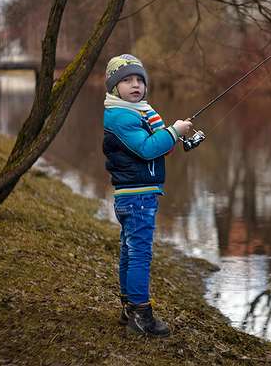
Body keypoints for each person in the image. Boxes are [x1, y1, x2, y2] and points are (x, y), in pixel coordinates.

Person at [102, 54, 192, 337]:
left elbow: (160, 146)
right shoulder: (121, 116)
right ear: (114, 87)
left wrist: (171, 135)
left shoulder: (137, 112)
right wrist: (174, 131)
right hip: (136, 197)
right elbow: (147, 149)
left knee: (130, 252)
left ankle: (129, 307)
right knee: (139, 254)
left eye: (139, 79)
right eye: (126, 80)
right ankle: (141, 313)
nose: (135, 85)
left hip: (134, 195)